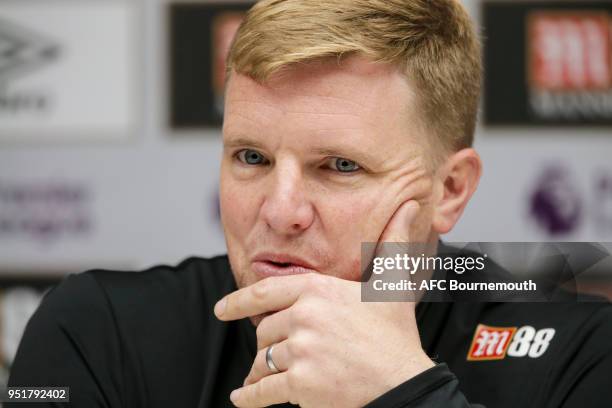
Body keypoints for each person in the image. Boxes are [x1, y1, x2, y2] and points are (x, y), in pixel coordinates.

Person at [7, 0, 612, 407]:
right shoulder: (96, 329)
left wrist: (405, 392)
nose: (279, 211)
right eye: (252, 158)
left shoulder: (586, 352)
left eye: (340, 166)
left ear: (450, 190)